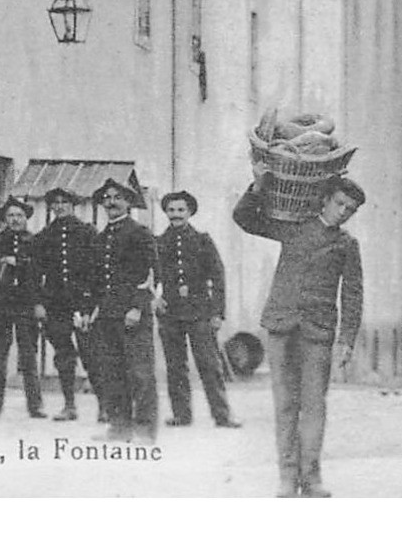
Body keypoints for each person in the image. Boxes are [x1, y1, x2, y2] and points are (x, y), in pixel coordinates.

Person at [233, 166, 364, 498]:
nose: (343, 212)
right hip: (281, 325)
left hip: (318, 331)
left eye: (349, 209)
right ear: (324, 201)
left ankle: (313, 477)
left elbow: (352, 294)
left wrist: (347, 339)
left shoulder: (348, 245)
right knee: (285, 405)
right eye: (339, 204)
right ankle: (287, 478)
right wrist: (259, 185)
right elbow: (245, 218)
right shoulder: (293, 227)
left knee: (314, 406)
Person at [153, 190, 241, 429]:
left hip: (200, 312)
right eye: (171, 210)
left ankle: (222, 415)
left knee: (209, 364)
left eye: (181, 210)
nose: (176, 215)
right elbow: (148, 275)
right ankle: (181, 415)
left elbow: (218, 276)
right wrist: (154, 298)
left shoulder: (202, 240)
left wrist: (217, 313)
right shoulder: (159, 242)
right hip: (170, 313)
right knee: (175, 366)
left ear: (189, 212)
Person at [89, 179, 159, 443]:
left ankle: (144, 429)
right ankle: (119, 427)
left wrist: (137, 307)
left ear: (128, 202)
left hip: (133, 314)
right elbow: (96, 280)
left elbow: (151, 274)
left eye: (117, 197)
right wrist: (92, 309)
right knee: (112, 372)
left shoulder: (140, 233)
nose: (111, 202)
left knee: (140, 373)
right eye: (106, 197)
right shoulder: (101, 237)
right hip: (108, 315)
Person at [31, 187, 101, 421]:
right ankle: (69, 405)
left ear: (74, 205)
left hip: (83, 303)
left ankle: (105, 407)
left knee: (91, 354)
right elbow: (35, 274)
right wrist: (39, 304)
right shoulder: (44, 236)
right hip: (55, 305)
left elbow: (97, 271)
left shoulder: (87, 233)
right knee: (63, 355)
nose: (59, 206)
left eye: (64, 202)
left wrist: (91, 306)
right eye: (55, 203)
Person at [0, 195, 46, 419]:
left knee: (28, 356)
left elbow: (40, 271)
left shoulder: (36, 242)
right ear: (4, 219)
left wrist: (20, 263)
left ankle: (35, 406)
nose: (15, 219)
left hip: (26, 305)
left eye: (19, 215)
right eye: (11, 216)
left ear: (26, 217)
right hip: (1, 305)